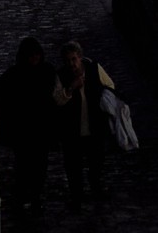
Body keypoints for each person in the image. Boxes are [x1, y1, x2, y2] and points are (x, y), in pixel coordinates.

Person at [0, 36, 57, 220]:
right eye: (31, 56)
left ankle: (35, 198)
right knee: (24, 167)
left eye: (36, 55)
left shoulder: (46, 71)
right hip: (24, 132)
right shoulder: (16, 74)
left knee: (40, 167)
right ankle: (21, 200)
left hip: (41, 130)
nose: (34, 59)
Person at [54, 39, 112, 209]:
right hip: (72, 130)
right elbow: (57, 99)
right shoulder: (61, 76)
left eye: (74, 59)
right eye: (68, 60)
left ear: (80, 57)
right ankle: (76, 195)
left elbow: (110, 86)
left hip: (94, 126)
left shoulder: (94, 68)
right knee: (73, 165)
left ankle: (97, 189)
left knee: (96, 162)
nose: (71, 64)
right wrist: (71, 88)